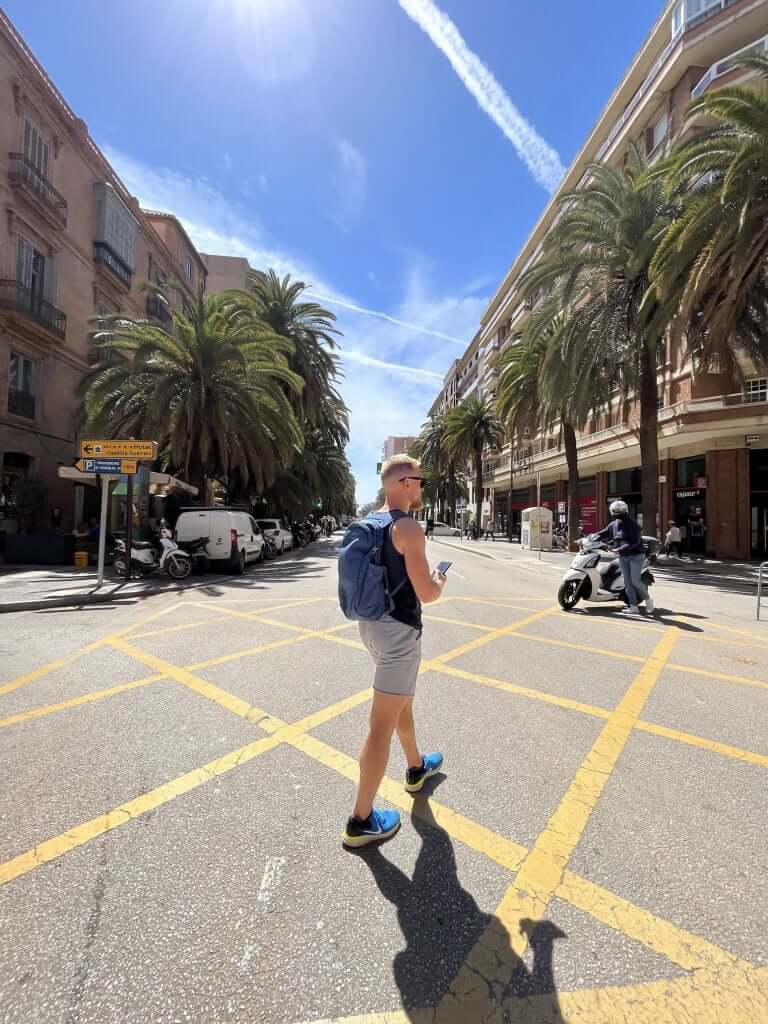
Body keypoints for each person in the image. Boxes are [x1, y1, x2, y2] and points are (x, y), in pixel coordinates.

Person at [343, 454, 447, 848]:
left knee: (401, 704)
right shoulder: (407, 528)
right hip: (399, 635)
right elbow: (427, 594)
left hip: (370, 627)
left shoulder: (370, 522)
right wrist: (438, 582)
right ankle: (361, 820)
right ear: (404, 482)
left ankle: (417, 767)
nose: (422, 487)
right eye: (419, 480)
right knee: (380, 725)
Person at [595, 500, 654, 616]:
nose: (618, 514)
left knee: (635, 581)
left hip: (636, 555)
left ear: (625, 511)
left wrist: (619, 549)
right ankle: (633, 606)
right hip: (623, 556)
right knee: (627, 582)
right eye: (616, 512)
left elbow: (635, 542)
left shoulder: (633, 525)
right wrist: (588, 538)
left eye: (619, 512)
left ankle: (648, 601)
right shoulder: (613, 525)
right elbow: (601, 534)